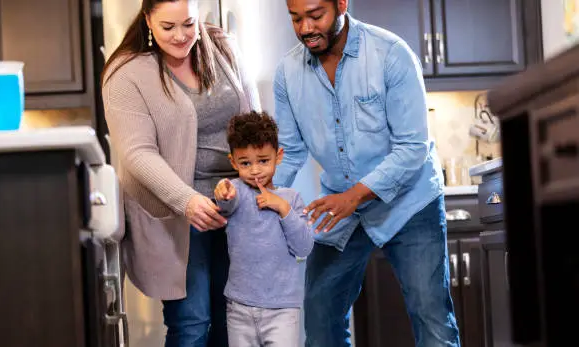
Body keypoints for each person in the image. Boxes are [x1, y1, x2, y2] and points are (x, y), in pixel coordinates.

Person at [272, 0, 461, 346]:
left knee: (431, 317)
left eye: (316, 16)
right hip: (341, 206)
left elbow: (412, 148)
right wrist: (262, 196)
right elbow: (291, 149)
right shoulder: (287, 73)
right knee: (320, 314)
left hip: (409, 201)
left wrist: (355, 196)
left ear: (341, 3)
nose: (305, 29)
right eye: (296, 19)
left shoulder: (391, 54)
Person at [100, 0, 260, 346]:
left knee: (233, 322)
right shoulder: (126, 73)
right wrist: (187, 201)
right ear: (147, 21)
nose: (180, 36)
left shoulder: (223, 48)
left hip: (236, 209)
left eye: (188, 24)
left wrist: (258, 188)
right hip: (179, 215)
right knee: (191, 322)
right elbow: (137, 153)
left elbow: (253, 119)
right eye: (167, 27)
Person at [212, 112, 313, 347]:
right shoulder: (236, 191)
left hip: (283, 310)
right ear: (233, 162)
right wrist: (222, 191)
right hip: (239, 308)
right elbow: (225, 202)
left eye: (263, 160)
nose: (255, 170)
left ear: (278, 157)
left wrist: (283, 209)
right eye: (245, 163)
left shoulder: (292, 199)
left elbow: (304, 247)